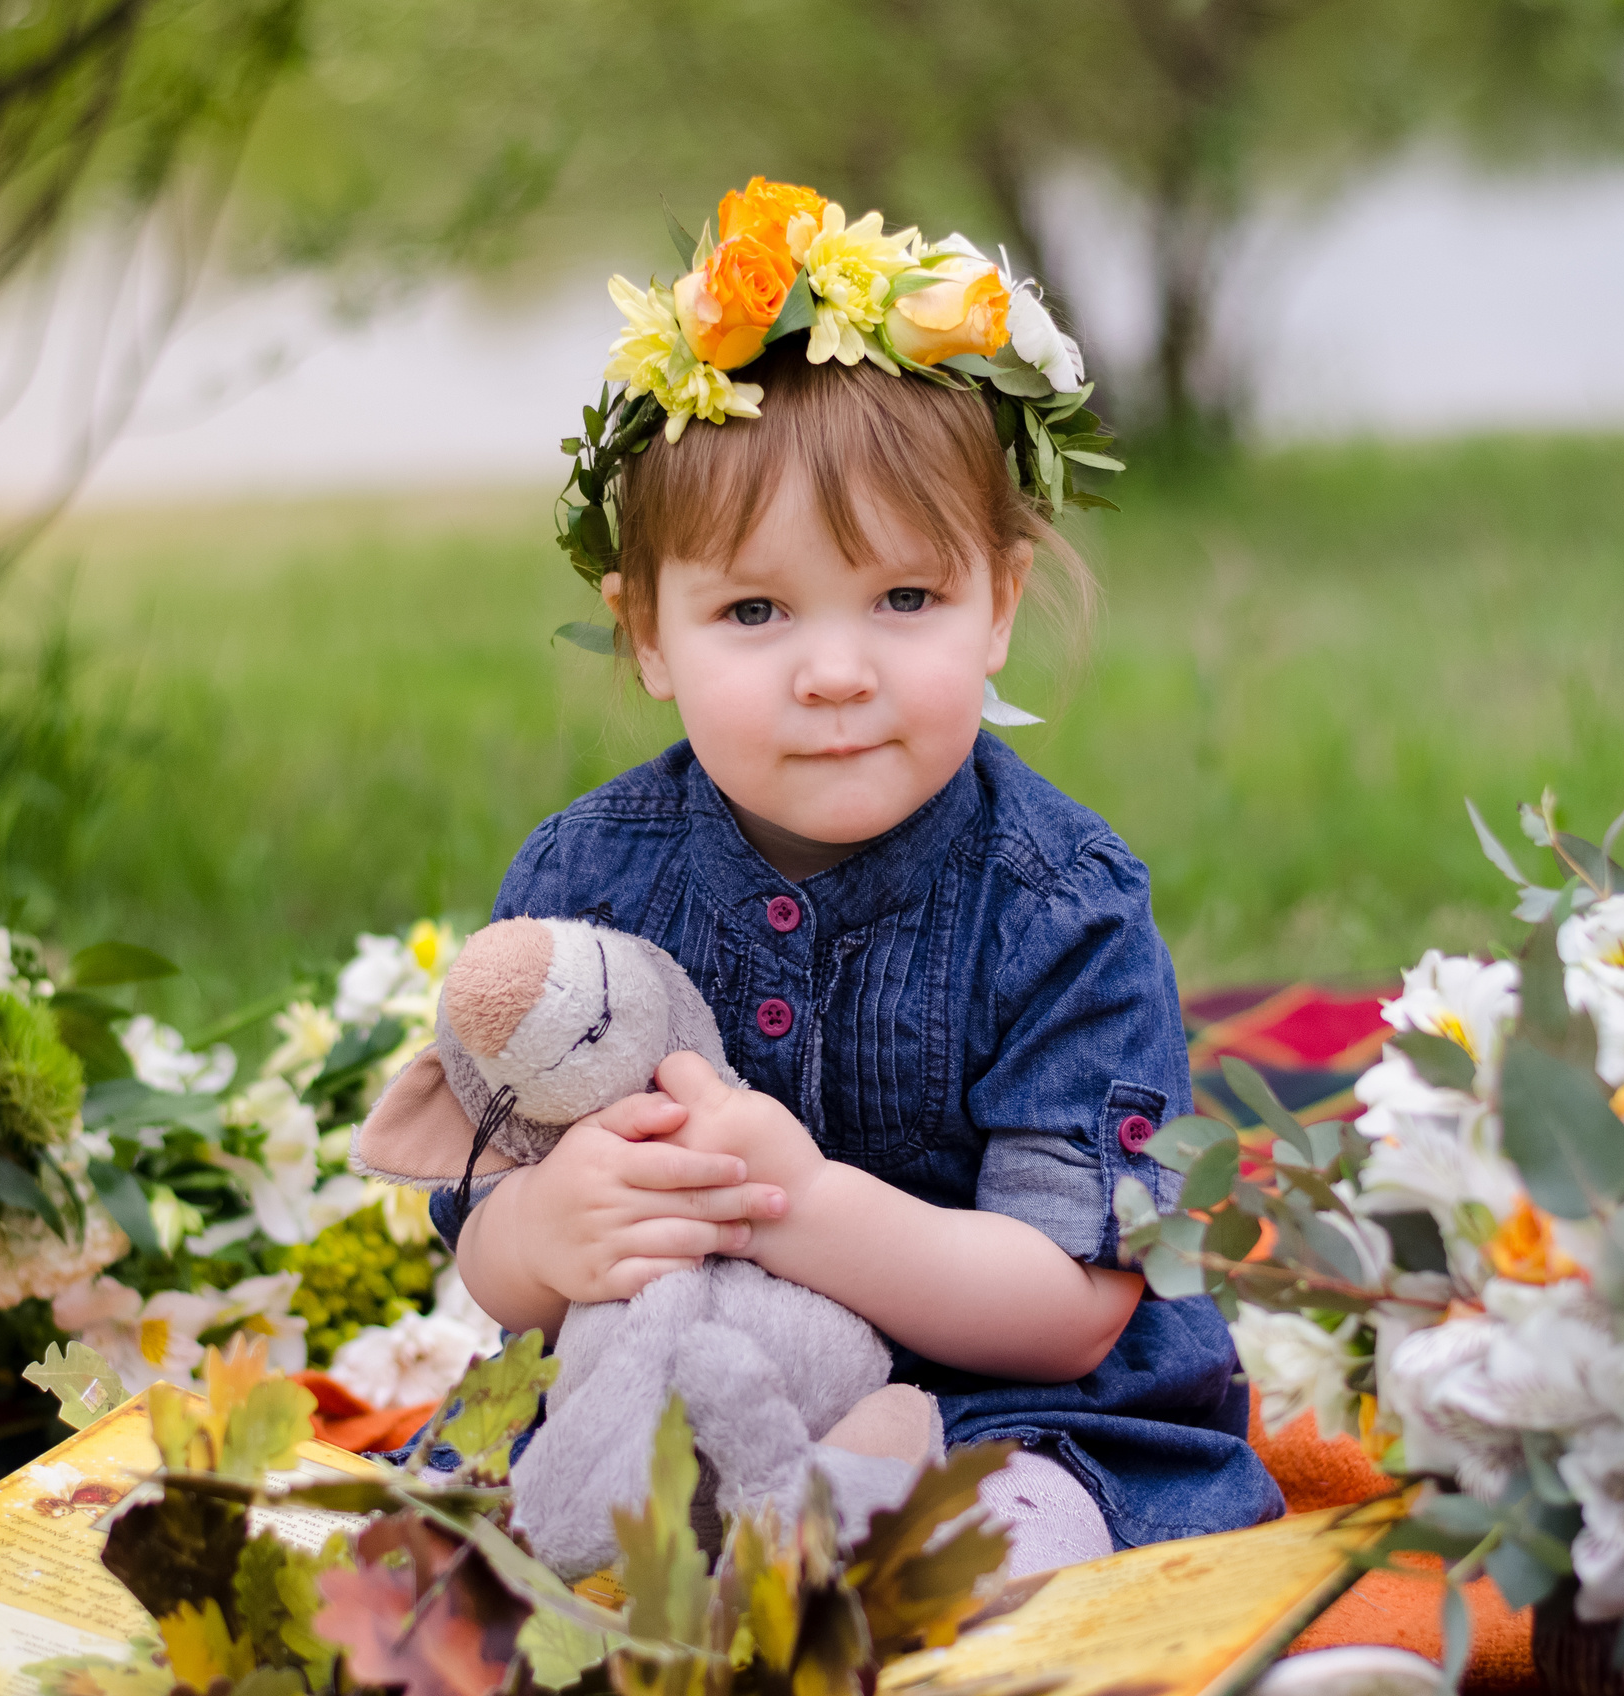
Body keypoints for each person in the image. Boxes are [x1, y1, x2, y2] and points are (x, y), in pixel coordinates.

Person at [358, 178, 1275, 1573]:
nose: (836, 671)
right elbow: (485, 1249)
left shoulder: (1063, 903)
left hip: (1005, 1409)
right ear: (646, 634)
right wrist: (555, 1230)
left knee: (1005, 1537)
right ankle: (701, 1558)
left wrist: (793, 1199)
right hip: (666, 1387)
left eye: (906, 599)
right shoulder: (585, 876)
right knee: (476, 1535)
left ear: (1000, 606)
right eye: (753, 611)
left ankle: (832, 1559)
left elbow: (1071, 1306)